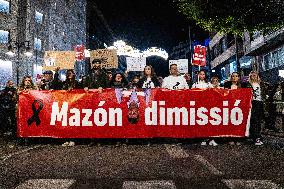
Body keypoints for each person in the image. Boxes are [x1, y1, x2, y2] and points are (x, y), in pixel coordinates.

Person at [244, 71, 270, 145]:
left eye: (255, 75)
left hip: (261, 103)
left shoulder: (262, 84)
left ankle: (257, 136)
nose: (254, 76)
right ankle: (256, 138)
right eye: (252, 75)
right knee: (254, 120)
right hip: (253, 103)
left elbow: (266, 93)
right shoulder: (248, 84)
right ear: (250, 77)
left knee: (259, 120)